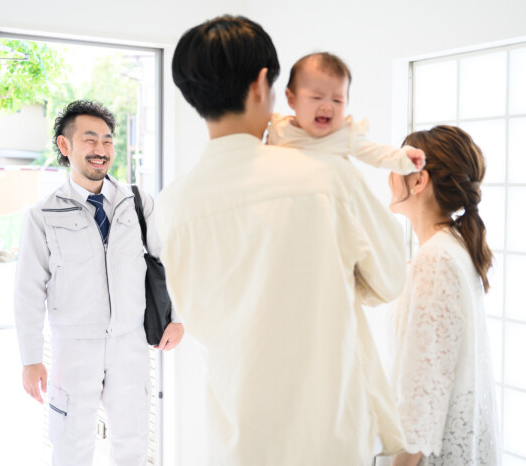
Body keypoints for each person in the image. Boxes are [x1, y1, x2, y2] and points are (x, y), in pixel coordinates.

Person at [156, 15, 408, 466]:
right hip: (327, 438)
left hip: (236, 444)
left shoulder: (172, 205)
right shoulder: (327, 178)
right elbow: (390, 279)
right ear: (261, 85)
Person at [14, 100, 184, 465]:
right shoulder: (43, 215)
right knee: (71, 448)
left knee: (133, 445)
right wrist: (31, 359)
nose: (101, 149)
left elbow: (168, 260)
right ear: (65, 145)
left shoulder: (136, 202)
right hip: (74, 347)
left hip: (129, 342)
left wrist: (178, 317)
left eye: (107, 140)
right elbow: (28, 291)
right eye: (90, 139)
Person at [385, 125, 500, 466]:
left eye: (397, 163)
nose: (389, 174)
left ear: (419, 181)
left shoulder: (436, 260)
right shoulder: (453, 247)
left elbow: (422, 398)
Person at [267, 52, 425, 173]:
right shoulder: (278, 129)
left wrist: (404, 158)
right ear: (292, 100)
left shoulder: (345, 134)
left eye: (337, 100)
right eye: (317, 97)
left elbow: (377, 153)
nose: (327, 107)